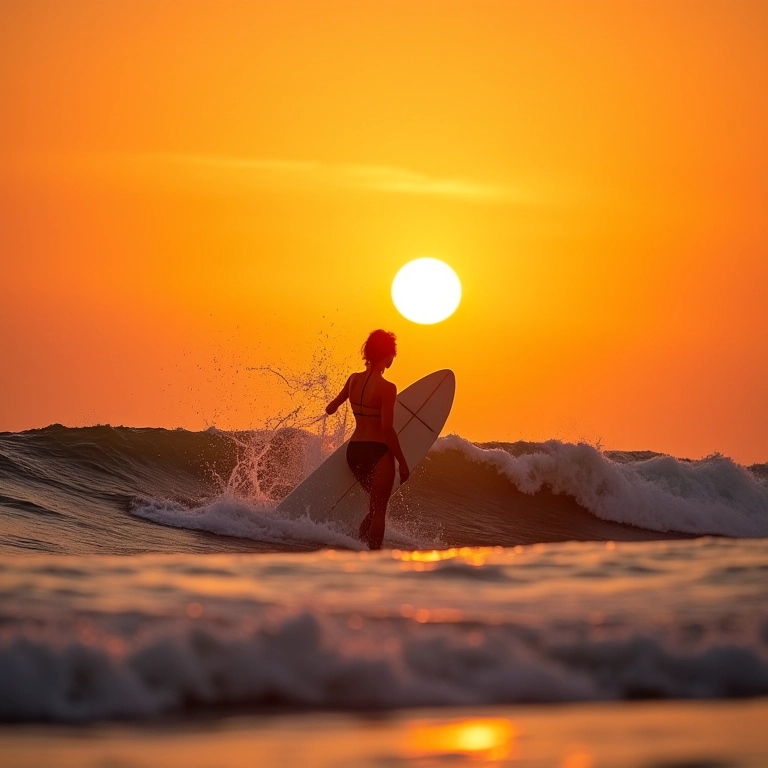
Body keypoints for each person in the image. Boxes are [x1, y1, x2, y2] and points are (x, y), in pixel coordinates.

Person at [325, 329, 409, 550]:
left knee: (374, 506)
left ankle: (362, 546)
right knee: (380, 510)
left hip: (354, 451)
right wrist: (403, 462)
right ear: (388, 355)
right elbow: (387, 430)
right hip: (378, 451)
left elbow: (331, 408)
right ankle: (374, 559)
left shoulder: (353, 380)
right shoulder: (388, 388)